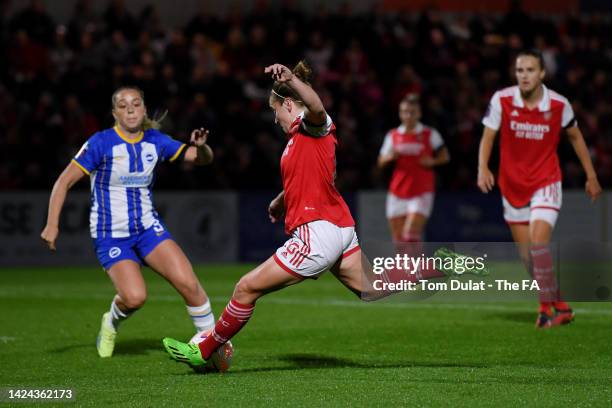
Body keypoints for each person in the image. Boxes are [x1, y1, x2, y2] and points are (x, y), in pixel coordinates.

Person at [162, 61, 483, 370]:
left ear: (288, 104)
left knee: (246, 288)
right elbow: (312, 178)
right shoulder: (300, 141)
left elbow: (316, 106)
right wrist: (280, 200)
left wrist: (290, 79)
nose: (275, 120)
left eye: (275, 111)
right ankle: (438, 264)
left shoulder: (312, 125)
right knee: (371, 288)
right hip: (340, 228)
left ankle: (203, 350)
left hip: (318, 232)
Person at [41, 86, 217, 357]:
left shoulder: (155, 141)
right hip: (111, 234)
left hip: (147, 228)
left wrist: (202, 147)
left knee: (189, 283)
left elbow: (201, 159)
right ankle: (110, 322)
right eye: (123, 105)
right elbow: (63, 181)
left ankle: (212, 347)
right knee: (135, 298)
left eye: (136, 103)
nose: (131, 109)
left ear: (144, 109)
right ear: (115, 113)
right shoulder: (101, 143)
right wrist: (52, 224)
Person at [478, 49, 602, 328]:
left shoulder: (558, 105)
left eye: (530, 70)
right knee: (528, 259)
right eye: (520, 70)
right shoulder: (502, 100)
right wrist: (482, 168)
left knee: (538, 245)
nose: (524, 75)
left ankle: (546, 308)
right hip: (512, 186)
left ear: (542, 73)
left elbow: (576, 137)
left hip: (546, 181)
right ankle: (561, 306)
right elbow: (488, 136)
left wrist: (591, 175)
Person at [378, 93, 450, 244]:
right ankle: (407, 267)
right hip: (397, 191)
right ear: (400, 113)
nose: (408, 115)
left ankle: (415, 267)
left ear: (419, 113)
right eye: (404, 112)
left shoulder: (429, 134)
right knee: (398, 239)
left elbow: (445, 156)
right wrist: (390, 157)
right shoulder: (393, 135)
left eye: (412, 112)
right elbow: (381, 162)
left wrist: (432, 161)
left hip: (421, 191)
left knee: (410, 234)